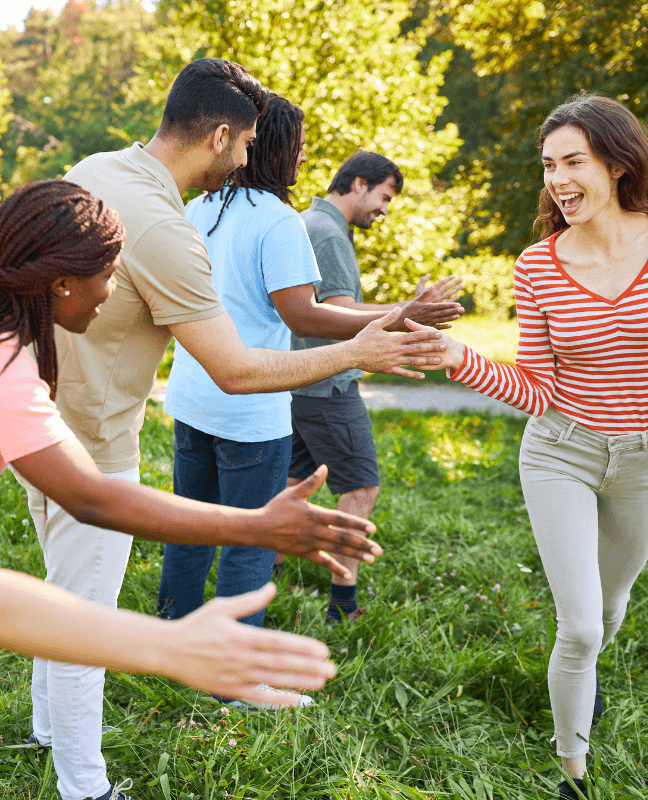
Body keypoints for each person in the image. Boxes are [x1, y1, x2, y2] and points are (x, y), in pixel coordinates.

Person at [14, 59, 445, 800]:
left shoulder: (98, 166)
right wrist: (363, 349)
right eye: (244, 144)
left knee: (62, 593)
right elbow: (237, 370)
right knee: (85, 623)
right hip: (91, 450)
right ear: (218, 136)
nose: (248, 159)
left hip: (39, 422)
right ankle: (85, 787)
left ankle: (51, 732)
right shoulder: (165, 230)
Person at [405, 95, 648, 799]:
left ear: (616, 162)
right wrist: (457, 356)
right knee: (578, 627)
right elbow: (537, 392)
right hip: (560, 453)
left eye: (573, 161)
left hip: (646, 457)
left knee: (608, 613)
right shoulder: (539, 265)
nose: (557, 178)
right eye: (548, 165)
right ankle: (572, 775)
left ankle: (586, 678)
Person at [0, 180, 381, 800]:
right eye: (107, 273)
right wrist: (255, 527)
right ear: (60, 280)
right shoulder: (9, 368)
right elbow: (93, 500)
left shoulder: (16, 347)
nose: (114, 290)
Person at [157, 98, 462, 658]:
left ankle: (171, 631)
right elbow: (305, 315)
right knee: (251, 540)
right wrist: (399, 314)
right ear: (270, 148)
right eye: (295, 147)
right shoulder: (277, 219)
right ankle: (235, 668)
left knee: (192, 523)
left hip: (193, 395)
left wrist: (399, 312)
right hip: (252, 408)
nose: (301, 159)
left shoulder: (200, 207)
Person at [278, 150, 463, 624]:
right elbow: (340, 314)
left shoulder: (308, 222)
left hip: (300, 380)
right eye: (383, 197)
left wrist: (408, 308)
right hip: (329, 386)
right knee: (361, 486)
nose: (384, 210)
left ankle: (264, 573)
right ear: (358, 184)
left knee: (294, 482)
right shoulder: (326, 233)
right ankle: (343, 604)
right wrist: (410, 311)